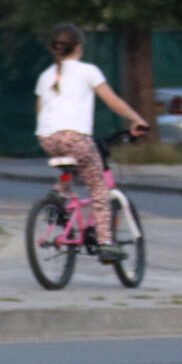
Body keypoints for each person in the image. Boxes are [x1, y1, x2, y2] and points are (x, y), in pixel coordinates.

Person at [34, 23, 149, 262]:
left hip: (47, 139)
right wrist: (137, 120)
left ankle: (58, 195)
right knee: (99, 188)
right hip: (75, 138)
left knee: (72, 168)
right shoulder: (88, 71)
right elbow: (113, 102)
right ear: (79, 47)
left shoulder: (45, 76)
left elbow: (40, 112)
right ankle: (106, 242)